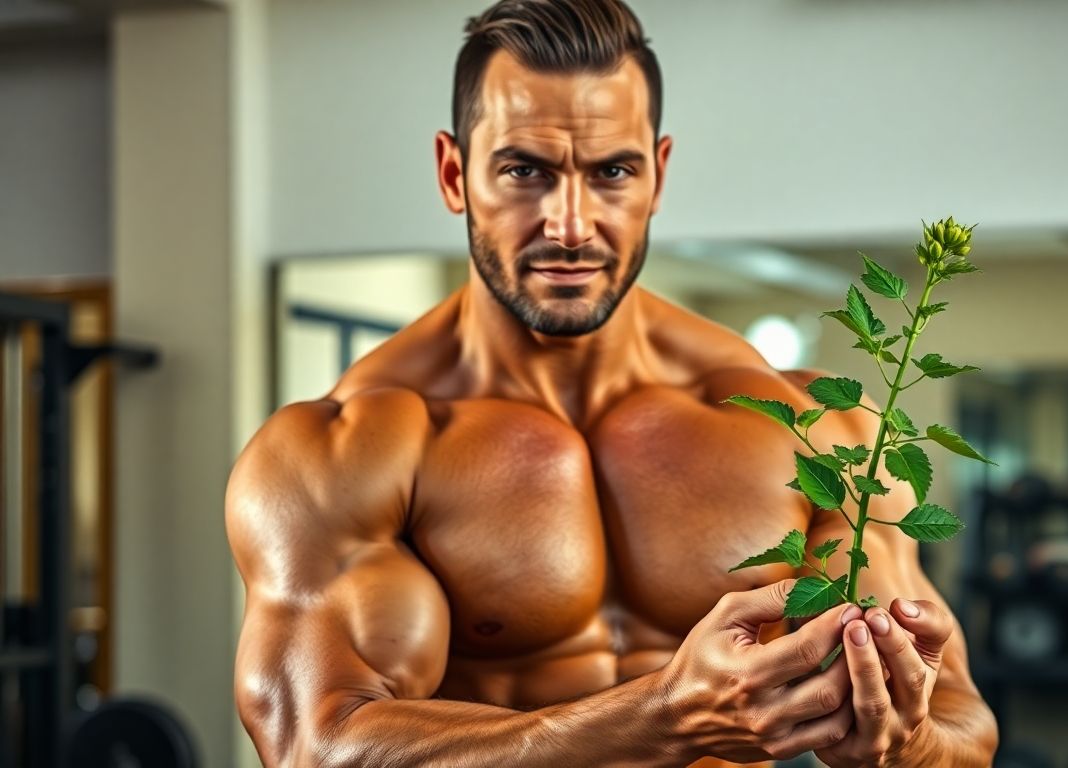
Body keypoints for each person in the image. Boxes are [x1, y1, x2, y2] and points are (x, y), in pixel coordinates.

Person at [225, 1, 998, 765]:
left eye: (611, 172)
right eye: (525, 170)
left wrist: (907, 744)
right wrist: (663, 717)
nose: (569, 224)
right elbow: (315, 745)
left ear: (656, 175)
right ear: (455, 173)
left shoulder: (808, 424)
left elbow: (964, 720)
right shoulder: (349, 449)